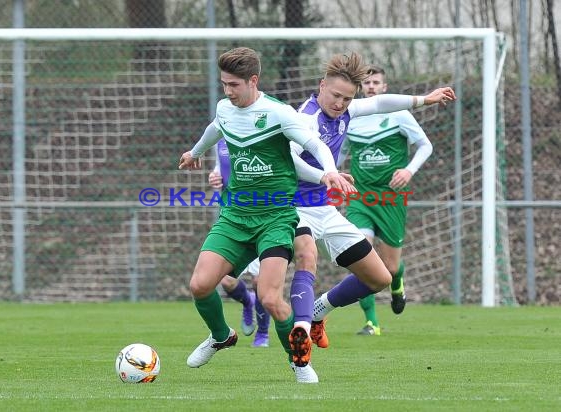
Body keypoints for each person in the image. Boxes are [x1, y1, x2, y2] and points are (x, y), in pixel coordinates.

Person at [178, 47, 355, 384]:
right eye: (224, 84)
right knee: (200, 285)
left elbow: (315, 145)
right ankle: (221, 336)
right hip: (235, 216)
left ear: (253, 81)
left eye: (234, 85)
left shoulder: (279, 113)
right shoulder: (225, 108)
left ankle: (298, 361)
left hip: (275, 218)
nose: (228, 91)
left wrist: (328, 172)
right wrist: (195, 152)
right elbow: (216, 127)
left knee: (271, 299)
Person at [285, 52, 455, 353]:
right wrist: (326, 175)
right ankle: (299, 337)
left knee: (380, 277)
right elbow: (291, 162)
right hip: (295, 209)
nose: (341, 104)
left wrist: (425, 100)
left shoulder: (345, 112)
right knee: (306, 258)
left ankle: (318, 311)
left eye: (348, 99)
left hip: (326, 209)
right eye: (336, 96)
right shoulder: (305, 118)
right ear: (322, 86)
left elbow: (379, 103)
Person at [342, 65, 434, 336]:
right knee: (360, 258)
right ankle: (372, 322)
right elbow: (338, 152)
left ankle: (397, 282)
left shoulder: (399, 115)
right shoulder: (350, 118)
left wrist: (408, 170)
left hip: (391, 198)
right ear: (360, 87)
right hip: (360, 198)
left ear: (384, 87)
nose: (371, 86)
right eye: (367, 82)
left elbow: (425, 146)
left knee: (390, 266)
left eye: (376, 82)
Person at [209, 138, 270, 347]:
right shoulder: (221, 140)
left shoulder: (263, 135)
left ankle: (262, 334)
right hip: (234, 218)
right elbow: (221, 169)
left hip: (263, 217)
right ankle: (247, 302)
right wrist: (215, 176)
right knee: (226, 281)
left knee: (261, 281)